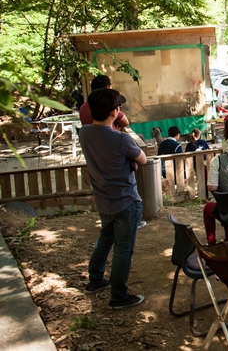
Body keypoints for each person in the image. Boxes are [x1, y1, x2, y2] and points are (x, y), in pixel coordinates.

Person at [79, 88, 147, 309]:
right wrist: (130, 161)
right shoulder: (121, 139)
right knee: (123, 250)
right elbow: (143, 159)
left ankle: (95, 280)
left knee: (105, 240)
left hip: (103, 200)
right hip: (126, 201)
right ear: (114, 112)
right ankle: (118, 296)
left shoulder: (84, 133)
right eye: (118, 107)